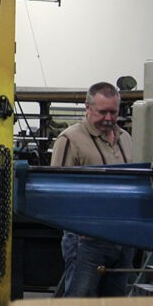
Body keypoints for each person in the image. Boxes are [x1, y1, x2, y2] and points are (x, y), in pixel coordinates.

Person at [50, 82, 134, 297]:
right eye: (102, 112)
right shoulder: (70, 140)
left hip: (123, 237)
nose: (108, 118)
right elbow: (55, 190)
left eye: (113, 112)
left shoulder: (125, 138)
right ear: (87, 108)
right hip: (86, 240)